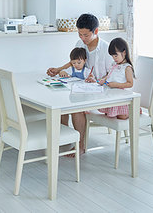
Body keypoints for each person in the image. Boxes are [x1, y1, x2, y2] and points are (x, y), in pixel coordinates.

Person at [47, 13, 113, 155]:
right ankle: (63, 138)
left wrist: (99, 81)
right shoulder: (80, 44)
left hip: (102, 91)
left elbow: (113, 73)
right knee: (61, 101)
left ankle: (80, 145)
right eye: (79, 34)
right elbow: (74, 61)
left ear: (96, 31)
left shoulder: (107, 49)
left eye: (85, 35)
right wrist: (59, 69)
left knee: (76, 108)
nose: (82, 38)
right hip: (83, 88)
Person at [97, 37, 135, 119]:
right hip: (112, 94)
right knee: (109, 114)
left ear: (124, 52)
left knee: (121, 116)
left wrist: (116, 84)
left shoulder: (127, 67)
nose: (114, 58)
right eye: (112, 56)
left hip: (121, 96)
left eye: (116, 55)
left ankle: (130, 112)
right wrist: (104, 79)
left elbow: (130, 84)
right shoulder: (114, 64)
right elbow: (110, 74)